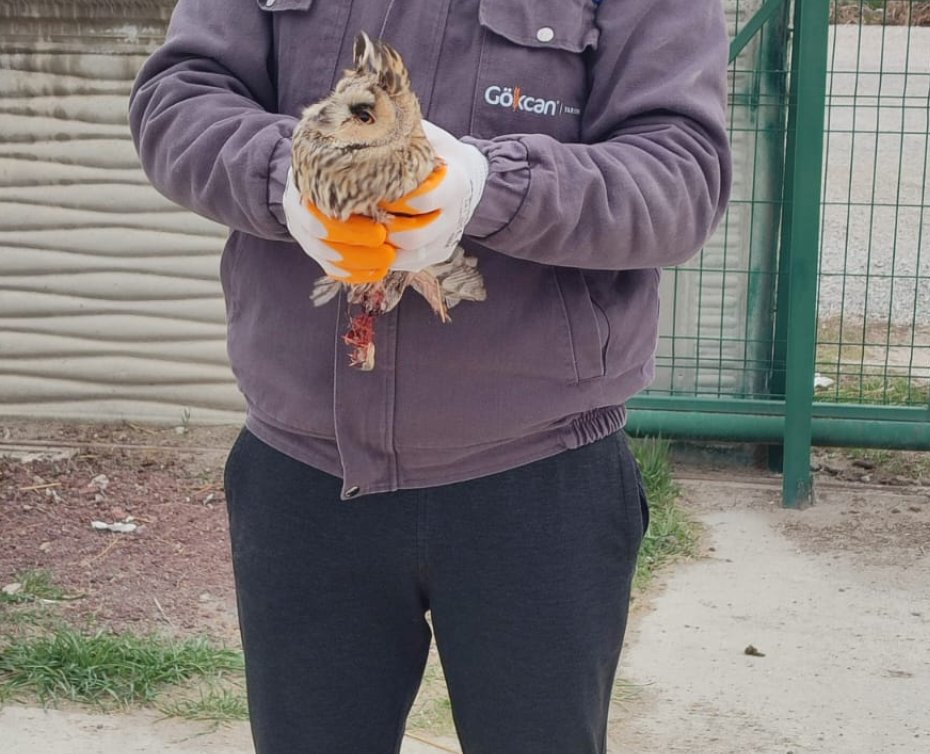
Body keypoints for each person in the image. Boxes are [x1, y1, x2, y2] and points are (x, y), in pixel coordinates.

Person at [128, 1, 730, 751]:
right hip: (303, 477)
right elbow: (178, 98)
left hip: (538, 480)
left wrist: (488, 186)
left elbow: (680, 177)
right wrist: (291, 176)